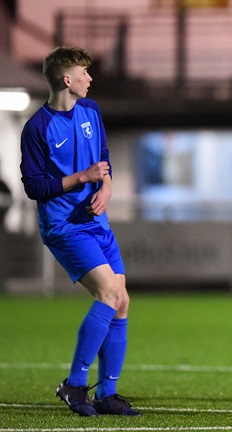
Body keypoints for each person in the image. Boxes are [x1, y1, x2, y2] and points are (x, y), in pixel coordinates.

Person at [20, 47, 141, 417]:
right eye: (84, 72)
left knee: (121, 301)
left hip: (97, 222)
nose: (90, 78)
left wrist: (106, 188)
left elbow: (103, 160)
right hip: (64, 226)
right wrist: (81, 178)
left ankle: (107, 394)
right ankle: (74, 384)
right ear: (66, 79)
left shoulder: (91, 110)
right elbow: (34, 187)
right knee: (109, 294)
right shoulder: (37, 127)